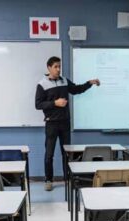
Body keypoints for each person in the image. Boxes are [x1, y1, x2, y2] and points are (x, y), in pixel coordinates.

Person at [35, 56, 100, 191]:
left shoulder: (64, 80)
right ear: (49, 68)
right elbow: (38, 104)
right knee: (49, 154)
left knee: (67, 154)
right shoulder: (42, 84)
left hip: (65, 123)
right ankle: (48, 180)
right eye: (55, 67)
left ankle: (67, 179)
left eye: (59, 67)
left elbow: (76, 89)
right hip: (51, 124)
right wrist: (55, 103)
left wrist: (89, 83)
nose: (58, 69)